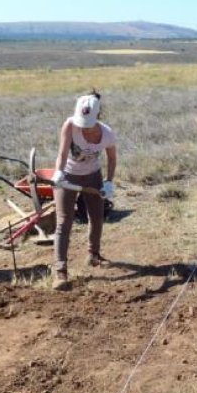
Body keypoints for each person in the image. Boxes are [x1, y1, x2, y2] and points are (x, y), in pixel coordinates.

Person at [49, 91, 118, 290]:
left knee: (96, 217)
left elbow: (112, 158)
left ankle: (93, 255)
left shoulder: (106, 133)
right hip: (68, 176)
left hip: (92, 176)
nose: (83, 127)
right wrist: (59, 173)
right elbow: (62, 153)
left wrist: (108, 182)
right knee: (64, 221)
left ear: (97, 116)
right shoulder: (70, 125)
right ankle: (61, 271)